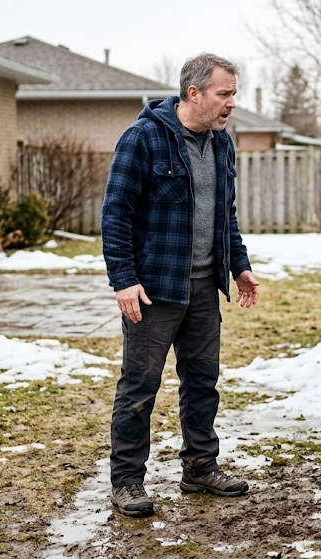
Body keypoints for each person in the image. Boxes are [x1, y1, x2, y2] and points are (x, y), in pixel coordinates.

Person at [101, 53, 260, 518]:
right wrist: (124, 281)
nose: (232, 103)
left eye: (233, 93)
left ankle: (199, 467)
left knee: (203, 382)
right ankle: (127, 481)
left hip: (204, 289)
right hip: (154, 292)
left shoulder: (221, 144)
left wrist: (239, 266)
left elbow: (224, 214)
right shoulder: (142, 139)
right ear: (195, 93)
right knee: (140, 387)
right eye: (224, 94)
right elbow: (115, 215)